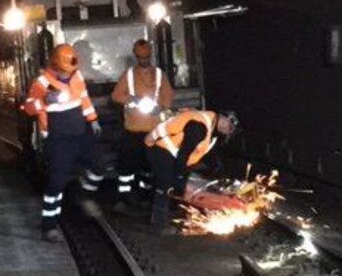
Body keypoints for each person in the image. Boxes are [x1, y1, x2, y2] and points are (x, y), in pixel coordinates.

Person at [24, 44, 104, 242]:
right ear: (55, 63)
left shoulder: (76, 76)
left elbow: (84, 98)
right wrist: (44, 101)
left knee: (99, 166)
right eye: (65, 70)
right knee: (56, 182)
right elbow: (27, 108)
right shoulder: (41, 83)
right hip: (59, 137)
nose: (69, 73)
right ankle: (49, 226)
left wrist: (92, 119)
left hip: (80, 131)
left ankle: (84, 195)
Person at [144, 110, 240, 234]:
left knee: (179, 184)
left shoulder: (212, 131)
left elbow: (208, 154)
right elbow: (183, 154)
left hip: (172, 153)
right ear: (225, 119)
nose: (229, 133)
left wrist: (219, 171)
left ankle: (168, 210)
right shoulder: (199, 126)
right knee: (165, 184)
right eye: (230, 128)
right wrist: (179, 176)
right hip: (159, 148)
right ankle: (158, 226)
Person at [111, 39, 173, 211]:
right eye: (141, 57)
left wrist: (160, 107)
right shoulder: (129, 75)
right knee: (126, 166)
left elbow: (167, 96)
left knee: (149, 166)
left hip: (153, 130)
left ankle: (145, 197)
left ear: (150, 55)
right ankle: (122, 198)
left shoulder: (159, 74)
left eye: (146, 57)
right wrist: (132, 98)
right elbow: (116, 96)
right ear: (136, 57)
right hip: (132, 130)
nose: (144, 61)